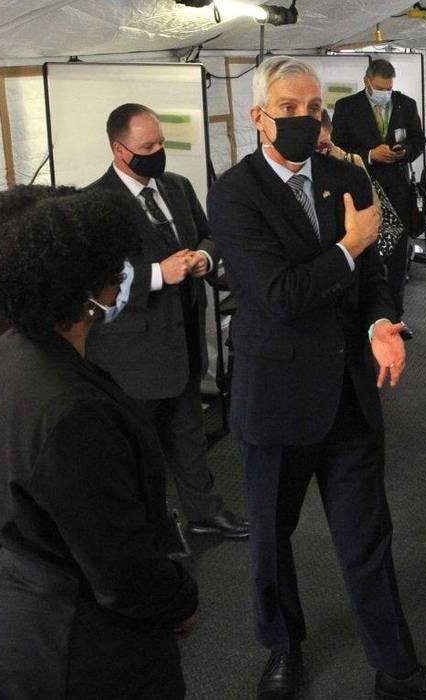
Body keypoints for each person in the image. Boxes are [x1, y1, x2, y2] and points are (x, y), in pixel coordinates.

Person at [207, 57, 426, 700]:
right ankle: (283, 646)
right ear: (258, 115)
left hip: (349, 394)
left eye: (313, 107)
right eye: (288, 109)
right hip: (276, 400)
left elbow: (376, 279)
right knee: (270, 538)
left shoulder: (343, 176)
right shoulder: (235, 193)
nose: (303, 119)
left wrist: (381, 323)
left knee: (367, 537)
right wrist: (349, 247)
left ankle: (396, 669)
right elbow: (276, 294)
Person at [0, 186, 199, 698]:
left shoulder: (10, 352)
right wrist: (180, 599)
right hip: (68, 643)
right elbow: (119, 567)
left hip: (6, 601)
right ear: (95, 288)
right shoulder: (74, 411)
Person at [87, 103, 249, 541]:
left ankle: (204, 512)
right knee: (139, 450)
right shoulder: (93, 204)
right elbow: (96, 279)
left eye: (161, 142)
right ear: (120, 150)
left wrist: (204, 257)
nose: (158, 152)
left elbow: (209, 235)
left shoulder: (175, 186)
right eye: (148, 146)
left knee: (189, 434)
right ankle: (148, 530)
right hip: (131, 356)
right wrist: (159, 274)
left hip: (185, 341)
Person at [331, 58, 426, 340]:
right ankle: (364, 321)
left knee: (396, 261)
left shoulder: (405, 105)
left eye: (389, 87)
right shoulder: (347, 107)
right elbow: (339, 147)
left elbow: (418, 141)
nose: (386, 92)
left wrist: (403, 152)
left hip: (397, 191)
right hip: (362, 191)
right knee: (363, 257)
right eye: (380, 88)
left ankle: (395, 319)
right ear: (367, 82)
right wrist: (371, 155)